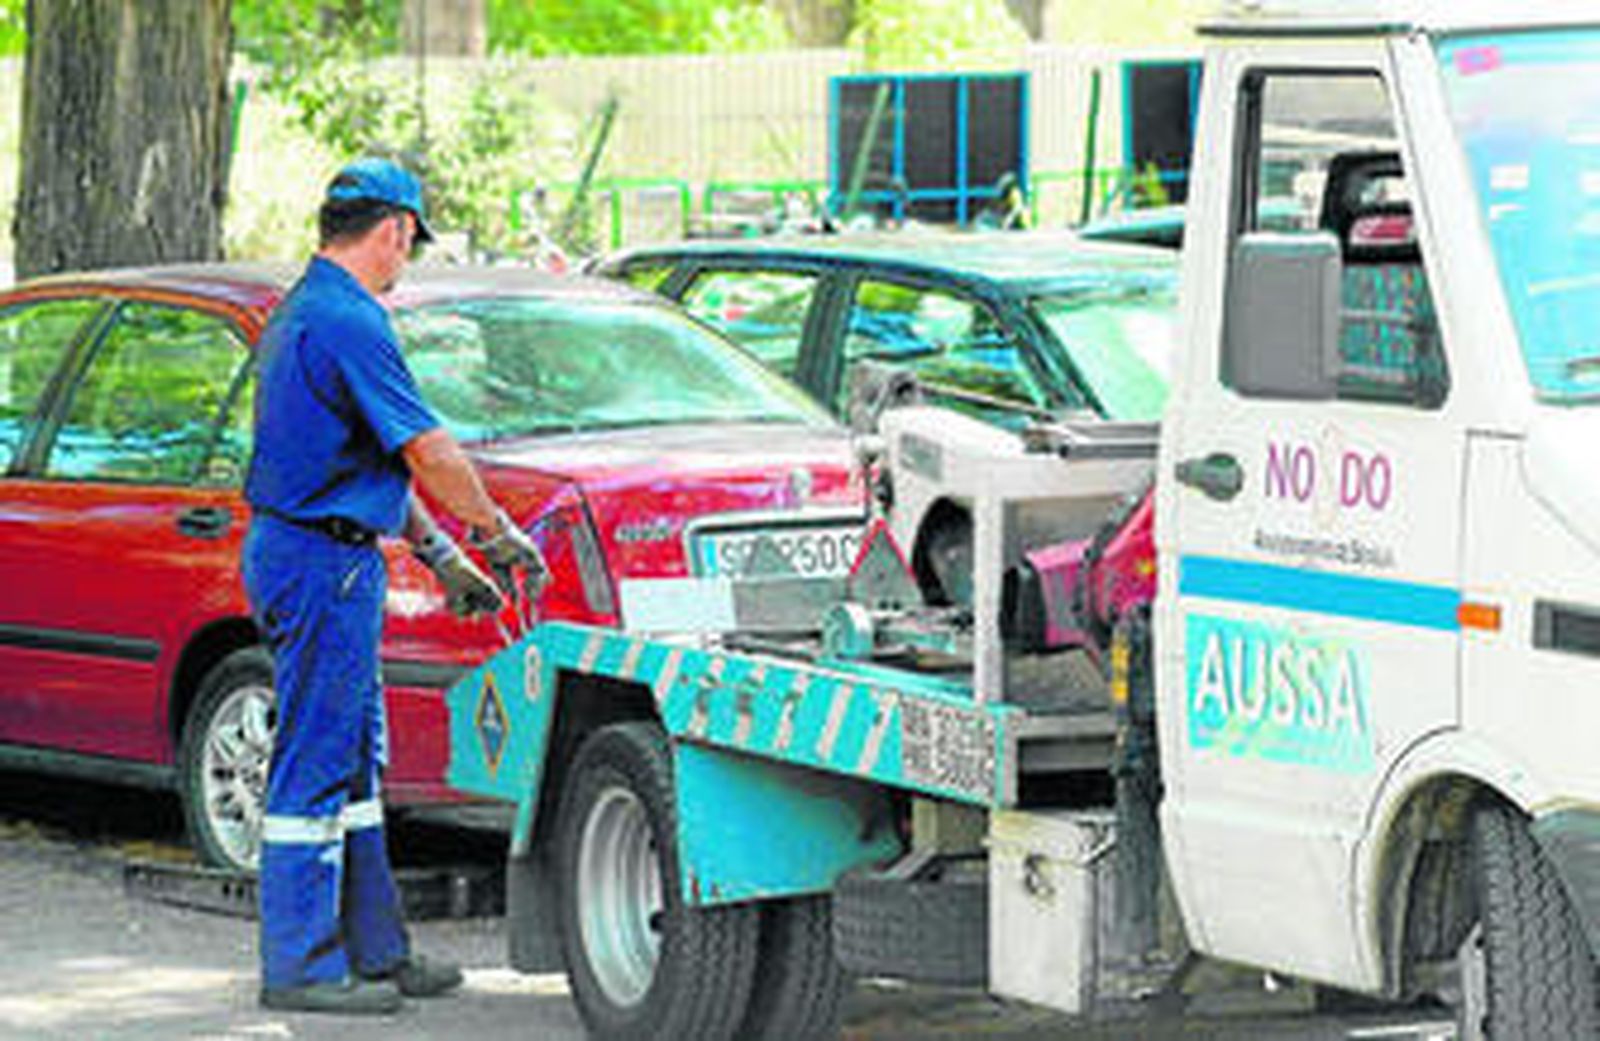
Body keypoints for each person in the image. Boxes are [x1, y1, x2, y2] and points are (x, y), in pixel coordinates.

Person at [242, 157, 548, 1015]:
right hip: (319, 565)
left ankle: (376, 948)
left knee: (354, 766)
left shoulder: (307, 309)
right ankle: (300, 964)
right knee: (313, 764)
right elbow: (428, 451)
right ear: (395, 229)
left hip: (321, 555)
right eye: (409, 244)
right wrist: (497, 531)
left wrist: (445, 555)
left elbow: (369, 463)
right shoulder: (348, 319)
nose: (406, 259)